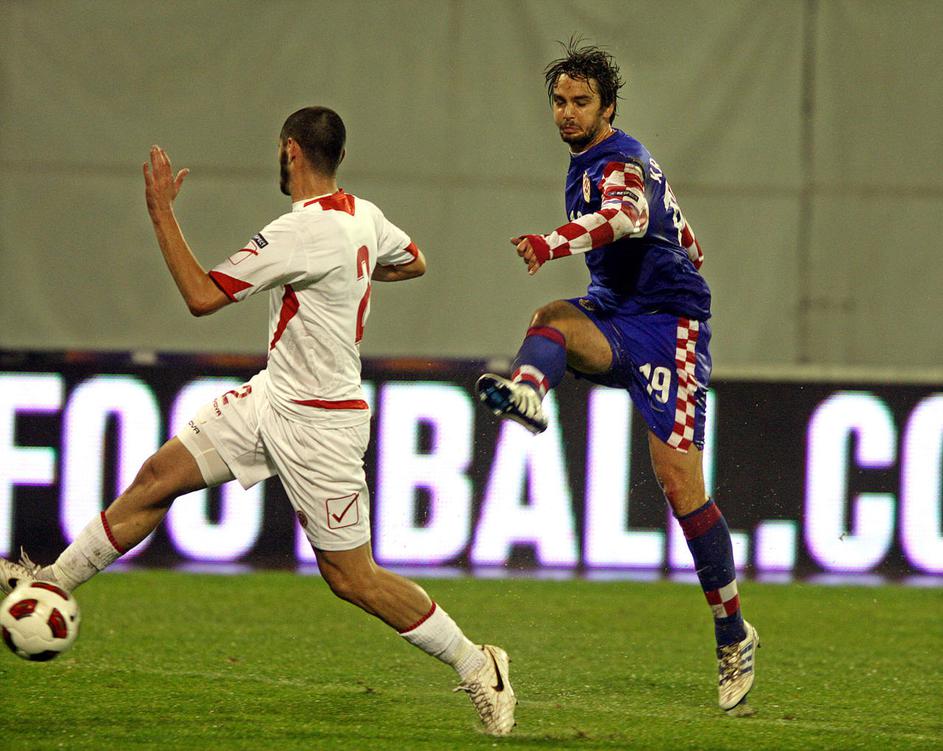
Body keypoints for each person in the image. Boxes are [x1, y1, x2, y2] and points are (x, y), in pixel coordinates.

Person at [1, 106, 516, 736]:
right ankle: (49, 584)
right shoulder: (364, 215)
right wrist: (345, 277)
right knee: (159, 477)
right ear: (338, 157)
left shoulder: (297, 232)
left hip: (321, 425)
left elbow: (201, 297)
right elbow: (414, 262)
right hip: (273, 395)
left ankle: (478, 663)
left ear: (290, 150)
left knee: (353, 578)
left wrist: (161, 212)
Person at [475, 41, 758, 715]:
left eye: (580, 102)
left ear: (607, 108)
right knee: (551, 317)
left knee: (679, 486)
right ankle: (529, 393)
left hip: (669, 329)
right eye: (559, 101)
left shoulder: (619, 159)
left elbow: (628, 215)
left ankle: (732, 633)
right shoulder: (591, 162)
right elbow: (685, 243)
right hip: (615, 312)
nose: (567, 113)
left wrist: (550, 242)